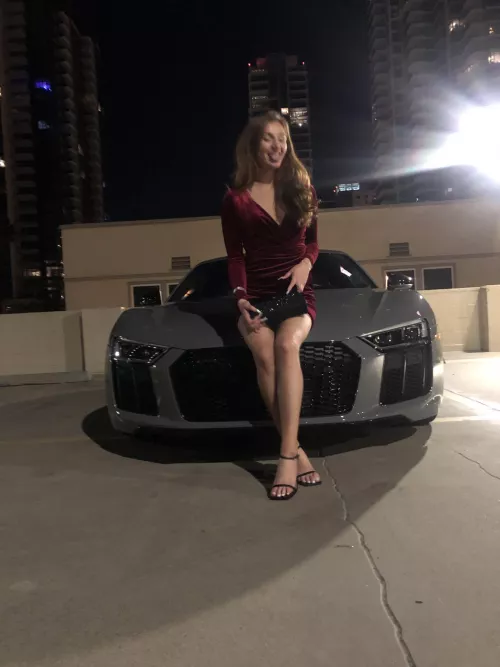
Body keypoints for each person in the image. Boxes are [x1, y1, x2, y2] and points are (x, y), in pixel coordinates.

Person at [221, 110, 322, 501]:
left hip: (296, 293)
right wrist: (240, 297)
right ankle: (298, 453)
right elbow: (235, 256)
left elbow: (313, 242)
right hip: (257, 295)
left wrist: (305, 263)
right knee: (264, 354)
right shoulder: (235, 199)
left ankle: (285, 456)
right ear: (253, 144)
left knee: (285, 345)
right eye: (268, 138)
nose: (277, 146)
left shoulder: (302, 188)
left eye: (282, 139)